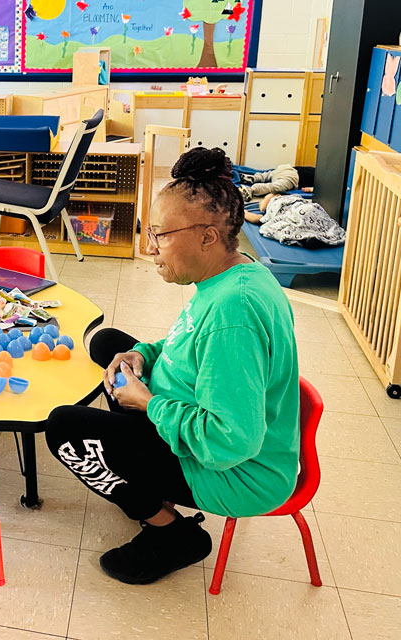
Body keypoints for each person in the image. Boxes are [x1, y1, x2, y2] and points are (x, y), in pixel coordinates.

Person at [45, 148, 300, 585]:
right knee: (109, 344)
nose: (151, 247)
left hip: (235, 471)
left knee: (63, 428)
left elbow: (230, 442)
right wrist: (142, 353)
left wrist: (148, 404)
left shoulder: (232, 313)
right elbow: (186, 343)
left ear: (207, 236)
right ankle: (139, 475)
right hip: (194, 417)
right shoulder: (232, 275)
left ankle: (173, 533)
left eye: (160, 235)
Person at [244, 192, 345, 248]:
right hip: (307, 209)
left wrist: (243, 212)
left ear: (277, 195)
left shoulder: (280, 200)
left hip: (301, 209)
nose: (261, 204)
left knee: (298, 218)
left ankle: (308, 237)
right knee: (314, 219)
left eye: (265, 199)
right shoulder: (271, 209)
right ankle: (313, 237)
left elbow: (257, 219)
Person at [237, 163, 315, 201]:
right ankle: (252, 190)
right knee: (275, 186)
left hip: (286, 168)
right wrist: (312, 189)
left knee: (268, 175)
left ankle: (253, 178)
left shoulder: (318, 170)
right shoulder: (325, 180)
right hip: (293, 177)